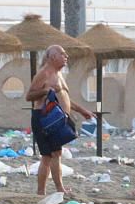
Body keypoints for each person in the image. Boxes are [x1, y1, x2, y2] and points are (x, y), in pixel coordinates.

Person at [25, 45, 94, 195]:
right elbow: (29, 96)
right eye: (62, 54)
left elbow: (65, 98)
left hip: (58, 119)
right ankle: (42, 191)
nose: (66, 56)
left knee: (56, 153)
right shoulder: (44, 73)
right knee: (47, 155)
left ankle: (57, 189)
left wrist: (82, 111)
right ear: (52, 57)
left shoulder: (59, 74)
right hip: (44, 118)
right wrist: (45, 91)